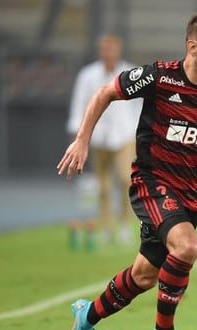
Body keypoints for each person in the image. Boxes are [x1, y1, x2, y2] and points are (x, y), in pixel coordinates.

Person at [57, 12, 197, 330]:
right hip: (152, 182)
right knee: (187, 246)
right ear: (193, 47)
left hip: (190, 194)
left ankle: (86, 317)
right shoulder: (160, 77)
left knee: (144, 276)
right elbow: (105, 93)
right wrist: (82, 139)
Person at [66, 34, 143, 244]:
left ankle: (125, 225)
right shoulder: (88, 76)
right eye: (105, 49)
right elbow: (79, 105)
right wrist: (78, 137)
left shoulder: (130, 73)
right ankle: (107, 227)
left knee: (127, 180)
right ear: (101, 51)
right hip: (98, 136)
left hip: (124, 135)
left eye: (113, 49)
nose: (109, 53)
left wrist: (138, 135)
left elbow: (138, 107)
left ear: (118, 51)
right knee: (103, 186)